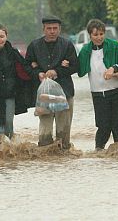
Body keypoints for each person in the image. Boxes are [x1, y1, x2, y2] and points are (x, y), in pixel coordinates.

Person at [24, 16, 78, 149]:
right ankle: (45, 156)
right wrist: (38, 74)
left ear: (59, 29)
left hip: (65, 92)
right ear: (44, 29)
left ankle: (64, 153)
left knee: (64, 130)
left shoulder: (67, 45)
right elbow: (26, 66)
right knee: (45, 130)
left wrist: (57, 72)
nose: (52, 31)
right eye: (49, 28)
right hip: (44, 94)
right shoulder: (34, 46)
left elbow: (75, 66)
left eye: (55, 28)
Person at [78, 19, 118, 151]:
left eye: (101, 34)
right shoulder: (85, 50)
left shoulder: (114, 45)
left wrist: (113, 69)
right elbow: (78, 68)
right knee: (103, 126)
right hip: (98, 94)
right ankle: (98, 151)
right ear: (90, 35)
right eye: (95, 35)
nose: (99, 37)